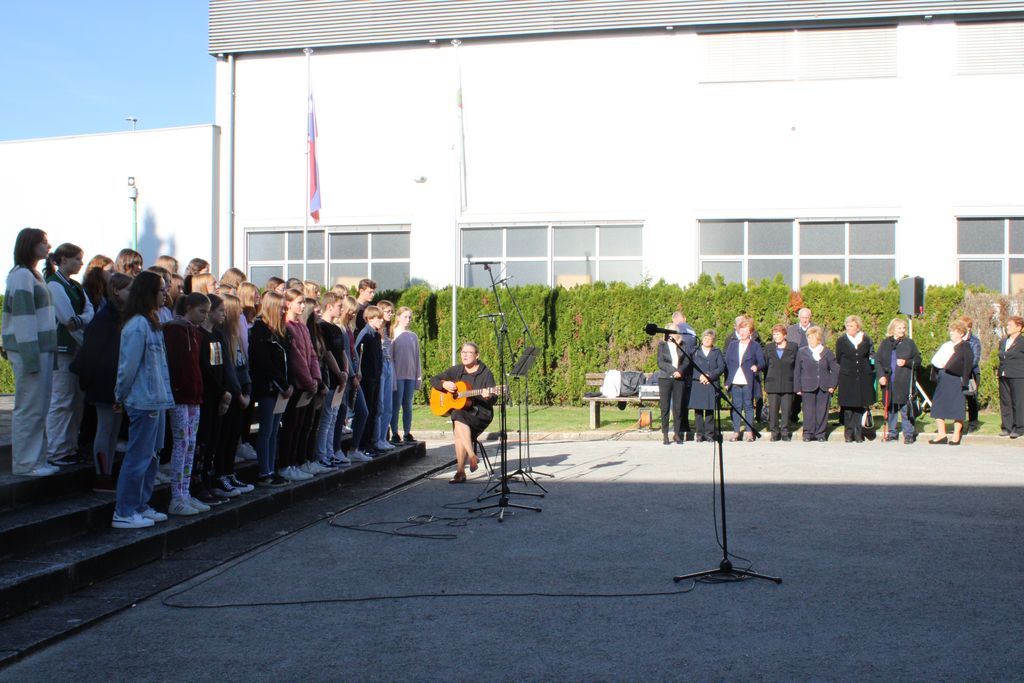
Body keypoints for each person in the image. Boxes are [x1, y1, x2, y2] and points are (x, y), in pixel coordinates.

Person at [112, 271, 174, 529]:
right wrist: (120, 395)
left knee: (152, 456)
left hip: (157, 399)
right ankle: (124, 510)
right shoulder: (137, 325)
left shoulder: (152, 321)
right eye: (161, 289)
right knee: (138, 457)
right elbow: (127, 366)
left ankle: (140, 504)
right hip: (143, 400)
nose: (166, 293)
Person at [3, 229, 58, 476]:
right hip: (31, 351)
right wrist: (30, 357)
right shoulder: (22, 275)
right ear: (30, 245)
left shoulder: (33, 274)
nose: (49, 246)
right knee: (29, 407)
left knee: (39, 407)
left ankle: (37, 459)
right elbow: (23, 319)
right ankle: (26, 463)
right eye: (44, 242)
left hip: (40, 350)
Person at [71, 272, 133, 491]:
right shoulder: (105, 317)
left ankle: (106, 472)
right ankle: (102, 475)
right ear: (116, 290)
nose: (132, 293)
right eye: (128, 289)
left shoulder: (122, 316)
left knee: (113, 430)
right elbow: (92, 351)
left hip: (116, 383)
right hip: (105, 384)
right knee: (106, 428)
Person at [44, 242, 95, 467]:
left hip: (77, 350)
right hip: (63, 350)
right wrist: (80, 320)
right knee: (62, 400)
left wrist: (80, 319)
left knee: (75, 401)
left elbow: (89, 311)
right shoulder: (54, 285)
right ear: (63, 259)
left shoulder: (75, 285)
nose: (81, 263)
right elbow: (66, 318)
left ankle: (70, 447)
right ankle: (56, 450)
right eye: (77, 259)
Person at [162, 292, 209, 515]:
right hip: (180, 396)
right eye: (201, 311)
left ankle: (185, 492)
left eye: (207, 312)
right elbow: (175, 365)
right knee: (181, 445)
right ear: (188, 308)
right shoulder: (174, 331)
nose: (204, 316)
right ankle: (176, 496)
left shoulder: (196, 333)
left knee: (191, 445)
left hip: (194, 396)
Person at [430, 342, 498, 483]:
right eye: (463, 352)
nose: (465, 355)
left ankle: (461, 471)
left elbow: (493, 399)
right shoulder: (457, 370)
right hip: (463, 413)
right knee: (458, 415)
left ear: (477, 355)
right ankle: (471, 457)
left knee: (457, 417)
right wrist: (443, 384)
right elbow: (433, 380)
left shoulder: (486, 373)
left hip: (480, 413)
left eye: (469, 353)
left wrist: (488, 396)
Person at [278, 289, 322, 481]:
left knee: (302, 425)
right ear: (288, 304)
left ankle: (296, 462)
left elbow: (311, 354)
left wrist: (316, 378)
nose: (303, 306)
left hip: (308, 385)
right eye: (299, 302)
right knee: (291, 426)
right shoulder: (287, 326)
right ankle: (285, 464)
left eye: (304, 302)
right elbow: (296, 358)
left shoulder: (302, 327)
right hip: (297, 385)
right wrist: (308, 381)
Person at [248, 291, 291, 487]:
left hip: (280, 388)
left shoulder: (279, 331)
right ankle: (264, 471)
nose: (283, 310)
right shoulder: (260, 331)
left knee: (274, 430)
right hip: (268, 387)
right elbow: (264, 363)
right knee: (266, 430)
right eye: (281, 307)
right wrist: (282, 384)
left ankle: (272, 468)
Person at [195, 294, 233, 503]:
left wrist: (226, 392)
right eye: (220, 310)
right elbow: (204, 368)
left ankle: (209, 481)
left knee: (214, 441)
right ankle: (198, 483)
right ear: (209, 312)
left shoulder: (218, 335)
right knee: (204, 440)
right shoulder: (200, 335)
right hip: (208, 396)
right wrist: (221, 392)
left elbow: (224, 365)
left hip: (220, 396)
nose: (224, 314)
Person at [875, 318, 922, 444]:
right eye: (899, 328)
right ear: (893, 329)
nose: (902, 330)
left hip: (904, 381)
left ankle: (908, 434)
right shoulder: (885, 343)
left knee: (905, 409)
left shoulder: (909, 343)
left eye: (903, 328)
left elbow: (918, 360)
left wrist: (906, 362)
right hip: (889, 381)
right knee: (891, 408)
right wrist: (881, 376)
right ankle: (892, 433)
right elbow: (877, 361)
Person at [316, 292, 349, 467]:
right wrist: (338, 373)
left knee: (334, 417)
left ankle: (330, 452)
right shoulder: (322, 327)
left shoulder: (336, 328)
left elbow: (342, 352)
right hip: (331, 378)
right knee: (327, 418)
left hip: (340, 379)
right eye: (339, 306)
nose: (341, 309)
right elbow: (328, 354)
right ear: (329, 306)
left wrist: (345, 372)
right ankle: (323, 455)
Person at [928, 320, 973, 446]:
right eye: (951, 331)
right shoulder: (946, 345)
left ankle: (956, 435)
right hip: (944, 377)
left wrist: (964, 380)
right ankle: (941, 434)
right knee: (938, 404)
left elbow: (967, 364)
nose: (951, 333)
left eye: (954, 331)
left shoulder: (965, 346)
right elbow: (935, 359)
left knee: (957, 406)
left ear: (961, 333)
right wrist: (942, 365)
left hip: (956, 379)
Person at [835, 315, 875, 443]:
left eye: (851, 326)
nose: (849, 328)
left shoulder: (866, 339)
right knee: (848, 407)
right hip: (847, 377)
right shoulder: (841, 341)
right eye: (847, 325)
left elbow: (870, 356)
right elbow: (839, 358)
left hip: (862, 377)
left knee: (859, 406)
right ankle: (849, 433)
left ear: (857, 327)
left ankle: (859, 433)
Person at [724, 316, 765, 442]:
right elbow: (727, 362)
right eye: (741, 330)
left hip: (748, 380)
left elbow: (762, 362)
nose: (742, 333)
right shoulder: (733, 345)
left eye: (745, 330)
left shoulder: (755, 345)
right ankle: (736, 432)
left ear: (750, 332)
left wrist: (756, 367)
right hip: (735, 380)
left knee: (748, 406)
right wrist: (728, 381)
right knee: (736, 406)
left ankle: (749, 432)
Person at [794, 326, 837, 442]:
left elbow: (835, 369)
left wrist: (832, 385)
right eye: (808, 337)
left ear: (819, 339)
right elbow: (797, 370)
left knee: (822, 411)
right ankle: (808, 433)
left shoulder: (827, 352)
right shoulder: (802, 352)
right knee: (808, 411)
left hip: (824, 386)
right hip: (807, 385)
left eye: (812, 337)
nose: (810, 340)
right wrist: (797, 387)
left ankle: (820, 434)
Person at [355, 304, 384, 454]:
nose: (381, 321)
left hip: (375, 377)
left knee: (374, 410)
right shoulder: (365, 334)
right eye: (378, 318)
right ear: (370, 318)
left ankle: (370, 442)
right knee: (367, 410)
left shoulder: (376, 335)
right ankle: (363, 444)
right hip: (367, 379)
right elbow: (358, 355)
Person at [390, 305, 421, 443]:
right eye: (405, 317)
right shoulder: (393, 334)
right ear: (398, 317)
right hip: (397, 375)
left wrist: (418, 377)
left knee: (407, 405)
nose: (408, 319)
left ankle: (407, 432)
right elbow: (390, 357)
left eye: (409, 317)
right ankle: (394, 432)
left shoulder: (413, 336)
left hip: (410, 375)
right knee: (395, 405)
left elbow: (417, 358)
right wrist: (392, 378)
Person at [688, 329, 726, 442]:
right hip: (698, 383)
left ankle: (710, 434)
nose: (707, 340)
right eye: (705, 338)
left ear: (713, 341)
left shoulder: (717, 352)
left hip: (711, 383)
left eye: (709, 339)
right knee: (698, 411)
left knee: (710, 410)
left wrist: (710, 376)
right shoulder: (695, 351)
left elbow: (721, 367)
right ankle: (699, 434)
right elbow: (690, 367)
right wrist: (699, 376)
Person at [763, 323, 798, 441]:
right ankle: (774, 432)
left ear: (784, 335)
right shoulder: (769, 348)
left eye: (778, 334)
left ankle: (785, 432)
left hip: (788, 383)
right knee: (773, 411)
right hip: (772, 384)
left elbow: (796, 366)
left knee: (786, 410)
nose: (775, 336)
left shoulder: (793, 347)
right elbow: (766, 366)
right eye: (774, 334)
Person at [657, 324, 687, 445]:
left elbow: (686, 361)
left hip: (679, 378)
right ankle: (665, 434)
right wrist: (673, 371)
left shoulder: (682, 345)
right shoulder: (662, 345)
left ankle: (677, 433)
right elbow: (660, 362)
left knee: (677, 407)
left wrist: (680, 371)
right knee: (665, 407)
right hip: (665, 378)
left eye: (673, 332)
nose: (670, 334)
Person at [997, 315, 1024, 438]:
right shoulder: (1003, 341)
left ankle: (1019, 428)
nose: (1007, 327)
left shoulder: (1022, 342)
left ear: (1019, 327)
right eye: (1007, 325)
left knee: (1018, 401)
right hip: (1004, 374)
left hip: (1018, 375)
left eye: (1010, 325)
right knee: (1005, 401)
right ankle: (1007, 427)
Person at [375, 300, 397, 451]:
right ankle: (377, 439)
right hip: (381, 364)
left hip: (389, 364)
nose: (391, 314)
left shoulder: (389, 329)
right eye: (388, 311)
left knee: (388, 405)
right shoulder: (377, 329)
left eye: (391, 311)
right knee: (380, 405)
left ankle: (383, 438)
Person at [958, 316, 983, 433]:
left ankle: (973, 423)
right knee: (959, 399)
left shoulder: (974, 341)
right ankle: (959, 424)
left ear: (968, 328)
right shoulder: (957, 340)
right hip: (959, 373)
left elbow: (975, 359)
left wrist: (963, 368)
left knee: (972, 399)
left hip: (971, 374)